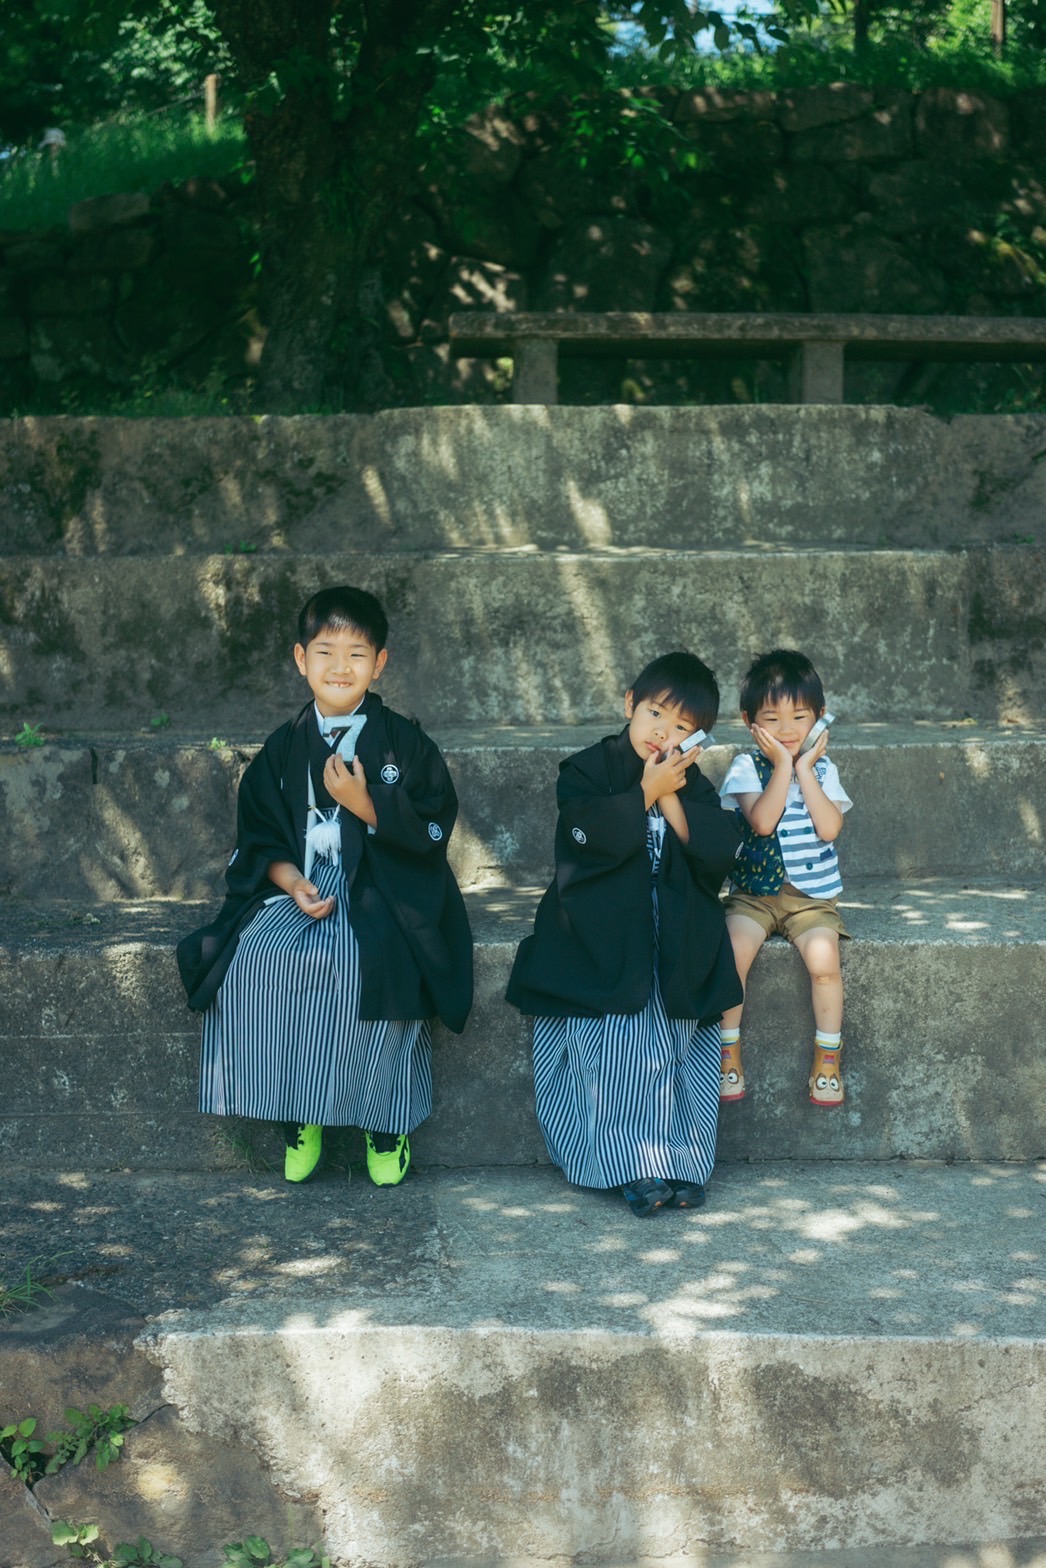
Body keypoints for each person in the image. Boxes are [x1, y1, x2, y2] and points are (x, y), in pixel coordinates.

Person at [177, 585, 472, 1187]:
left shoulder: (406, 744)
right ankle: (296, 1114)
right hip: (304, 884)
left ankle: (384, 1121)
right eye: (326, 651)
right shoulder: (283, 748)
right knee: (259, 955)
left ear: (380, 663)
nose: (341, 667)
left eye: (357, 654)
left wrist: (368, 805)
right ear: (300, 658)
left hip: (388, 882)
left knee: (376, 957)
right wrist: (290, 883)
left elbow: (435, 824)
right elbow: (259, 838)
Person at [506, 652, 743, 1217]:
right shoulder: (588, 769)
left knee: (680, 1046)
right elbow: (584, 835)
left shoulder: (693, 785)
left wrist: (665, 791)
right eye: (656, 713)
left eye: (682, 727)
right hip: (602, 937)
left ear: (699, 738)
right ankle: (631, 1165)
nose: (664, 732)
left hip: (673, 941)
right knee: (618, 1049)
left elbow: (715, 849)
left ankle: (681, 1162)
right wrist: (641, 791)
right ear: (629, 704)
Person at [717, 649, 852, 1108]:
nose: (787, 729)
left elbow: (829, 828)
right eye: (772, 718)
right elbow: (763, 822)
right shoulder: (744, 768)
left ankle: (828, 1056)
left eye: (799, 716)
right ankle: (727, 1051)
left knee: (824, 963)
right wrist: (780, 767)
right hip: (754, 895)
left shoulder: (824, 770)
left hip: (811, 898)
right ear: (749, 721)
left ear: (818, 716)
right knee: (733, 952)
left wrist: (803, 770)